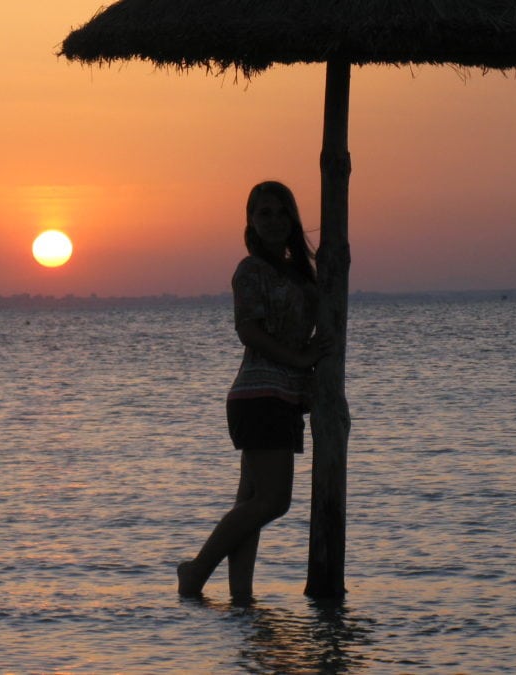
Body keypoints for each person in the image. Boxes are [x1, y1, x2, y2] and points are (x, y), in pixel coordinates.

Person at [177, 181, 328, 603]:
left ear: (294, 219)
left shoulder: (300, 272)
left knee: (252, 503)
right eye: (265, 213)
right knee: (274, 501)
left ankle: (241, 598)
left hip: (284, 398)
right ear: (250, 221)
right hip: (259, 396)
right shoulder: (250, 269)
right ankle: (195, 570)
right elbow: (248, 330)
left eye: (282, 213)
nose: (275, 221)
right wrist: (299, 361)